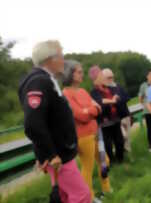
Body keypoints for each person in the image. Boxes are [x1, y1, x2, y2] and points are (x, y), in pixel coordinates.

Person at [18, 40, 91, 203]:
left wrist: (43, 152)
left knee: (64, 196)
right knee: (82, 196)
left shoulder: (45, 79)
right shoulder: (38, 81)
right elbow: (32, 124)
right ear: (49, 59)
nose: (63, 60)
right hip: (58, 155)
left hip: (57, 153)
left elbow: (46, 119)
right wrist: (50, 154)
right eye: (61, 55)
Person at [62, 60, 111, 202]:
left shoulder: (83, 91)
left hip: (96, 132)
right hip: (83, 136)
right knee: (87, 167)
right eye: (78, 72)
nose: (82, 74)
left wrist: (89, 110)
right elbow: (80, 116)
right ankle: (89, 197)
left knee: (104, 161)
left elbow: (97, 108)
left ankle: (106, 188)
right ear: (69, 74)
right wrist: (90, 110)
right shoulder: (66, 94)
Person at [90, 66, 125, 163]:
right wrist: (112, 100)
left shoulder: (108, 88)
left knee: (120, 141)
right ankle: (112, 162)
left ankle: (120, 160)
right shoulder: (94, 91)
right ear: (96, 77)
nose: (102, 77)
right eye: (100, 75)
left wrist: (116, 97)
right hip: (104, 122)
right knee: (108, 145)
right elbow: (100, 101)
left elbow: (117, 96)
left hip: (115, 119)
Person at [102, 68, 131, 152]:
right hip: (115, 118)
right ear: (103, 78)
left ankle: (128, 153)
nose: (111, 79)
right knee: (122, 136)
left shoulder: (118, 86)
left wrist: (118, 99)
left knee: (127, 137)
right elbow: (104, 103)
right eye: (109, 77)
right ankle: (120, 151)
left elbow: (127, 97)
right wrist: (113, 101)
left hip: (125, 115)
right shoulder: (104, 90)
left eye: (112, 77)